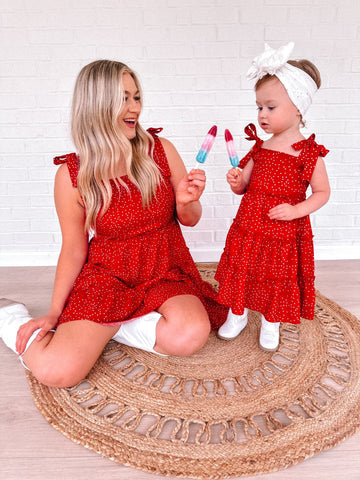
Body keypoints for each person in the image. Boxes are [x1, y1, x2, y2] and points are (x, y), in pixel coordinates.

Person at [0, 60, 227, 388]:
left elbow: (190, 220)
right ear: (96, 105)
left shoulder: (159, 151)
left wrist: (186, 202)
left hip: (165, 268)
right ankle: (9, 317)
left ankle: (114, 324)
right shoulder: (72, 176)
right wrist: (53, 311)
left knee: (192, 334)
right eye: (124, 98)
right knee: (56, 372)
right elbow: (74, 249)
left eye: (136, 97)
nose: (134, 106)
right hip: (109, 276)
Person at [215, 42, 330, 352]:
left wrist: (295, 210)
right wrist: (236, 181)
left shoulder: (309, 153)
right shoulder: (260, 148)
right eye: (259, 107)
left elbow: (322, 193)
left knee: (274, 276)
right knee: (243, 267)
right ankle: (236, 313)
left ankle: (270, 320)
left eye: (270, 107)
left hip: (281, 231)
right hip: (250, 224)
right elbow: (244, 188)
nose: (262, 114)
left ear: (298, 108)